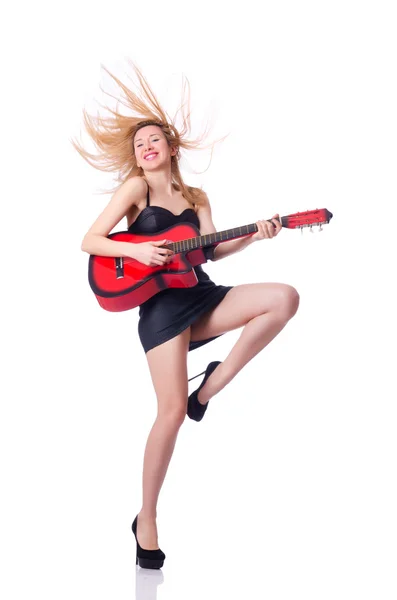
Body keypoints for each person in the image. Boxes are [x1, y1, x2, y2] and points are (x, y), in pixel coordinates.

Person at [74, 61, 300, 570]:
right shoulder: (136, 190)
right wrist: (137, 253)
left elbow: (210, 253)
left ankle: (210, 388)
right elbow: (90, 240)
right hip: (159, 307)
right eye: (139, 145)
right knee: (170, 413)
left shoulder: (197, 197)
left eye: (154, 140)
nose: (146, 148)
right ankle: (146, 518)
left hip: (200, 293)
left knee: (283, 297)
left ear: (173, 149)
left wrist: (255, 234)